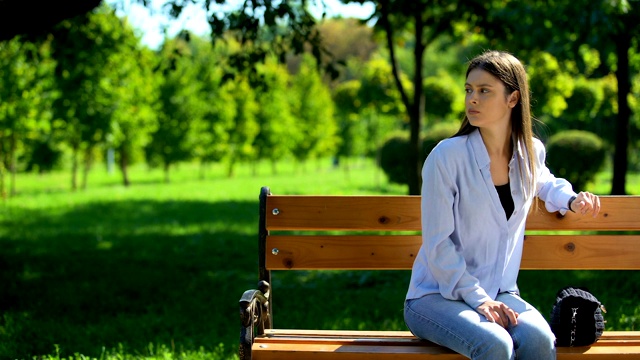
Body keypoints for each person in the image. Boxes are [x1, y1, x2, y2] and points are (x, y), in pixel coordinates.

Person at [403, 50, 601, 360]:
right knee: (495, 344)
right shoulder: (446, 157)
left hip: (501, 291)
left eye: (484, 91)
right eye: (469, 89)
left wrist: (573, 200)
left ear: (512, 99)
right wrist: (480, 300)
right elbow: (438, 245)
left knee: (539, 340)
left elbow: (545, 182)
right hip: (435, 295)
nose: (472, 99)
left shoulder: (529, 151)